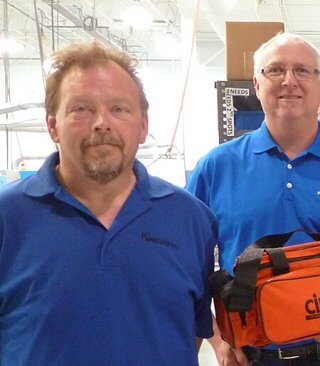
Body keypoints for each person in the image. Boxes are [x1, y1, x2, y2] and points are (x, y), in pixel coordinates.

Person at [0, 41, 216, 364]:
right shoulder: (8, 216)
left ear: (143, 126)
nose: (102, 122)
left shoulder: (191, 218)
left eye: (119, 109)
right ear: (52, 125)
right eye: (81, 109)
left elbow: (189, 332)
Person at [186, 33, 320, 366]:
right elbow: (186, 266)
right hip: (249, 357)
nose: (289, 81)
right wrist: (215, 337)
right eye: (275, 70)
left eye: (303, 71)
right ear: (256, 84)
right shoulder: (215, 167)